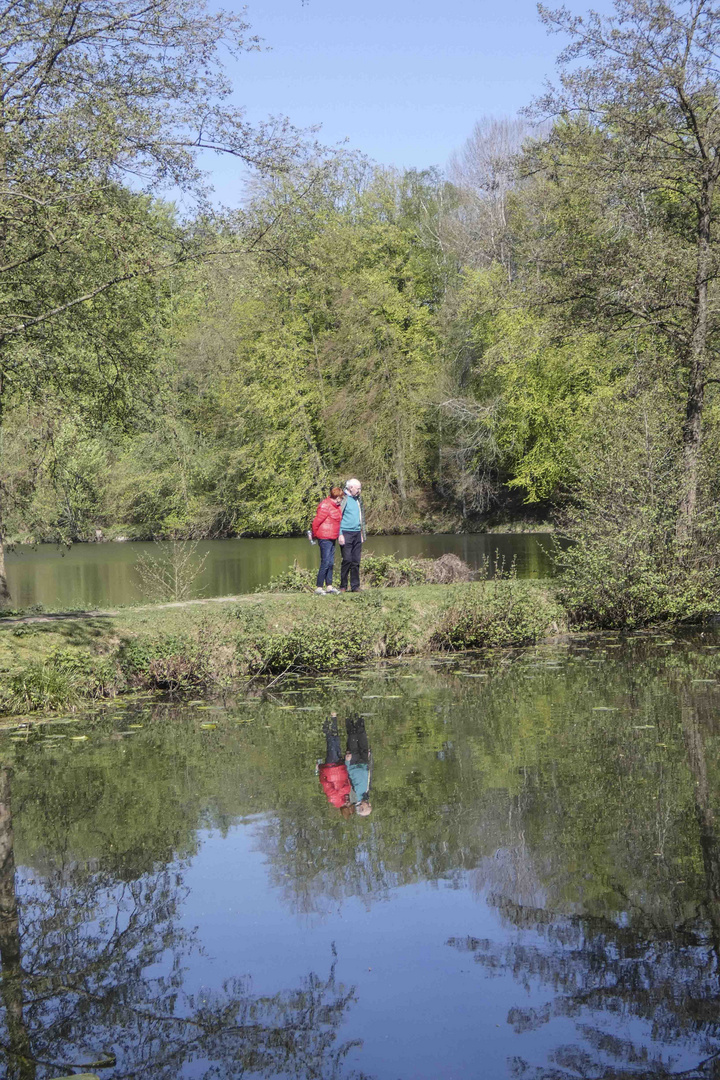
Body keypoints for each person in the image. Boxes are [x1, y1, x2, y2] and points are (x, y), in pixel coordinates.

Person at [317, 712, 353, 817]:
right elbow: (347, 780)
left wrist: (320, 768)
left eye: (347, 803)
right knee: (336, 740)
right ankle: (333, 718)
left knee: (331, 741)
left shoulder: (334, 799)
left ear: (344, 806)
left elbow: (325, 783)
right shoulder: (346, 793)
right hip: (340, 765)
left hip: (331, 767)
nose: (348, 801)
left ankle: (324, 719)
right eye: (349, 802)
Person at [310, 486, 344, 595]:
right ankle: (319, 587)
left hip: (332, 537)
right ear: (337, 497)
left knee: (330, 562)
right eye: (341, 497)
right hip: (324, 537)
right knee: (325, 561)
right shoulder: (325, 505)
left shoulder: (336, 507)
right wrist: (315, 535)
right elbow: (316, 522)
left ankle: (329, 586)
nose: (342, 499)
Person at [338, 478, 366, 593]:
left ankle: (355, 586)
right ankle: (343, 585)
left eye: (360, 488)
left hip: (357, 533)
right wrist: (340, 534)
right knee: (347, 559)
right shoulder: (343, 499)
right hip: (345, 532)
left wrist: (362, 533)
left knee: (356, 561)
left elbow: (362, 517)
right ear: (351, 488)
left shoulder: (358, 500)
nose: (359, 490)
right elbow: (338, 517)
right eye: (358, 488)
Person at [344, 712, 372, 816]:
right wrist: (369, 759)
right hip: (364, 761)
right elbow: (370, 775)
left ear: (361, 808)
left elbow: (346, 779)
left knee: (352, 735)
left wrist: (347, 761)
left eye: (367, 806)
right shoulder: (367, 794)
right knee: (362, 734)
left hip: (353, 763)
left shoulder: (353, 797)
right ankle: (359, 713)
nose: (369, 804)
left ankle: (347, 712)